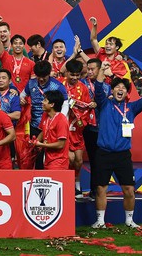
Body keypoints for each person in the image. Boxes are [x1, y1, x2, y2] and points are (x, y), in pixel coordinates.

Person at [91, 66, 142, 229]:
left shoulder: (131, 107)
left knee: (129, 189)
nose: (121, 90)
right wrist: (102, 70)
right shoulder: (104, 103)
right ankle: (100, 221)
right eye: (117, 87)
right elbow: (98, 87)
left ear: (127, 93)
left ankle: (129, 220)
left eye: (124, 88)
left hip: (123, 155)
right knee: (101, 189)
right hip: (103, 154)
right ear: (112, 90)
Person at [20, 61, 69, 169]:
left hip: (52, 125)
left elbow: (66, 103)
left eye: (44, 77)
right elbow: (22, 95)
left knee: (52, 153)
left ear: (49, 74)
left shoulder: (57, 86)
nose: (41, 79)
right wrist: (22, 100)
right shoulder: (31, 83)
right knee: (37, 156)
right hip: (37, 124)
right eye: (39, 77)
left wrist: (58, 119)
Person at [61, 59, 92, 194]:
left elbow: (87, 108)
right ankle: (68, 186)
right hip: (62, 128)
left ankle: (77, 183)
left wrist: (81, 121)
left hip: (77, 129)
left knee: (78, 160)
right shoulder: (59, 85)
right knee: (70, 158)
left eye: (77, 75)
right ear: (66, 73)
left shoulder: (83, 88)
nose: (74, 78)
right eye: (72, 74)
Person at [81, 58, 107, 199]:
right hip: (83, 126)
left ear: (99, 70)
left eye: (92, 69)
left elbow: (107, 104)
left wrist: (98, 103)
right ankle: (77, 190)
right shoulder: (81, 84)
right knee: (82, 159)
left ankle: (95, 191)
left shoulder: (106, 86)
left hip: (99, 128)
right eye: (88, 69)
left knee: (97, 161)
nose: (89, 71)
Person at [0, 16, 34, 91]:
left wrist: (25, 95)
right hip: (8, 96)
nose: (18, 45)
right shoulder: (6, 58)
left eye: (20, 43)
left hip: (24, 98)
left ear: (23, 46)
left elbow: (32, 83)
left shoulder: (31, 63)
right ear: (12, 45)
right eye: (15, 43)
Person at [33, 90, 69, 170]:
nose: (42, 102)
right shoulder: (45, 115)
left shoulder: (61, 120)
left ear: (52, 104)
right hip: (47, 159)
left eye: (45, 100)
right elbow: (44, 131)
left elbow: (61, 144)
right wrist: (35, 142)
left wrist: (42, 145)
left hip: (59, 162)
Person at [89, 17, 131, 82]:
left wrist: (110, 74)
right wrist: (95, 26)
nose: (107, 46)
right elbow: (93, 39)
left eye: (111, 44)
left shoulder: (120, 63)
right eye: (106, 44)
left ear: (117, 47)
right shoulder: (100, 53)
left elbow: (120, 83)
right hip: (94, 85)